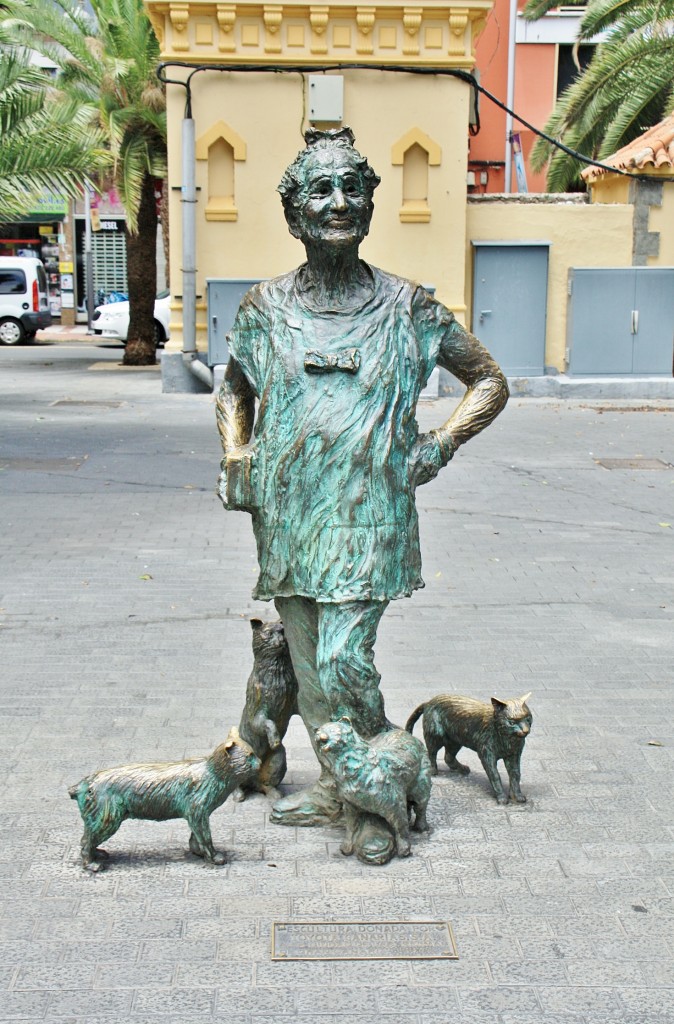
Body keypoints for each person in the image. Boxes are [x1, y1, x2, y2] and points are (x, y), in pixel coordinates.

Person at [216, 127, 509, 864]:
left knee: (346, 659)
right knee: (310, 664)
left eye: (353, 188)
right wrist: (237, 449)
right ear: (295, 213)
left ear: (371, 206)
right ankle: (336, 783)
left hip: (370, 517)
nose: (339, 202)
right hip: (287, 513)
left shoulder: (409, 308)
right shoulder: (263, 308)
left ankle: (380, 791)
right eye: (321, 190)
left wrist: (439, 445)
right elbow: (234, 389)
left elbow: (489, 381)